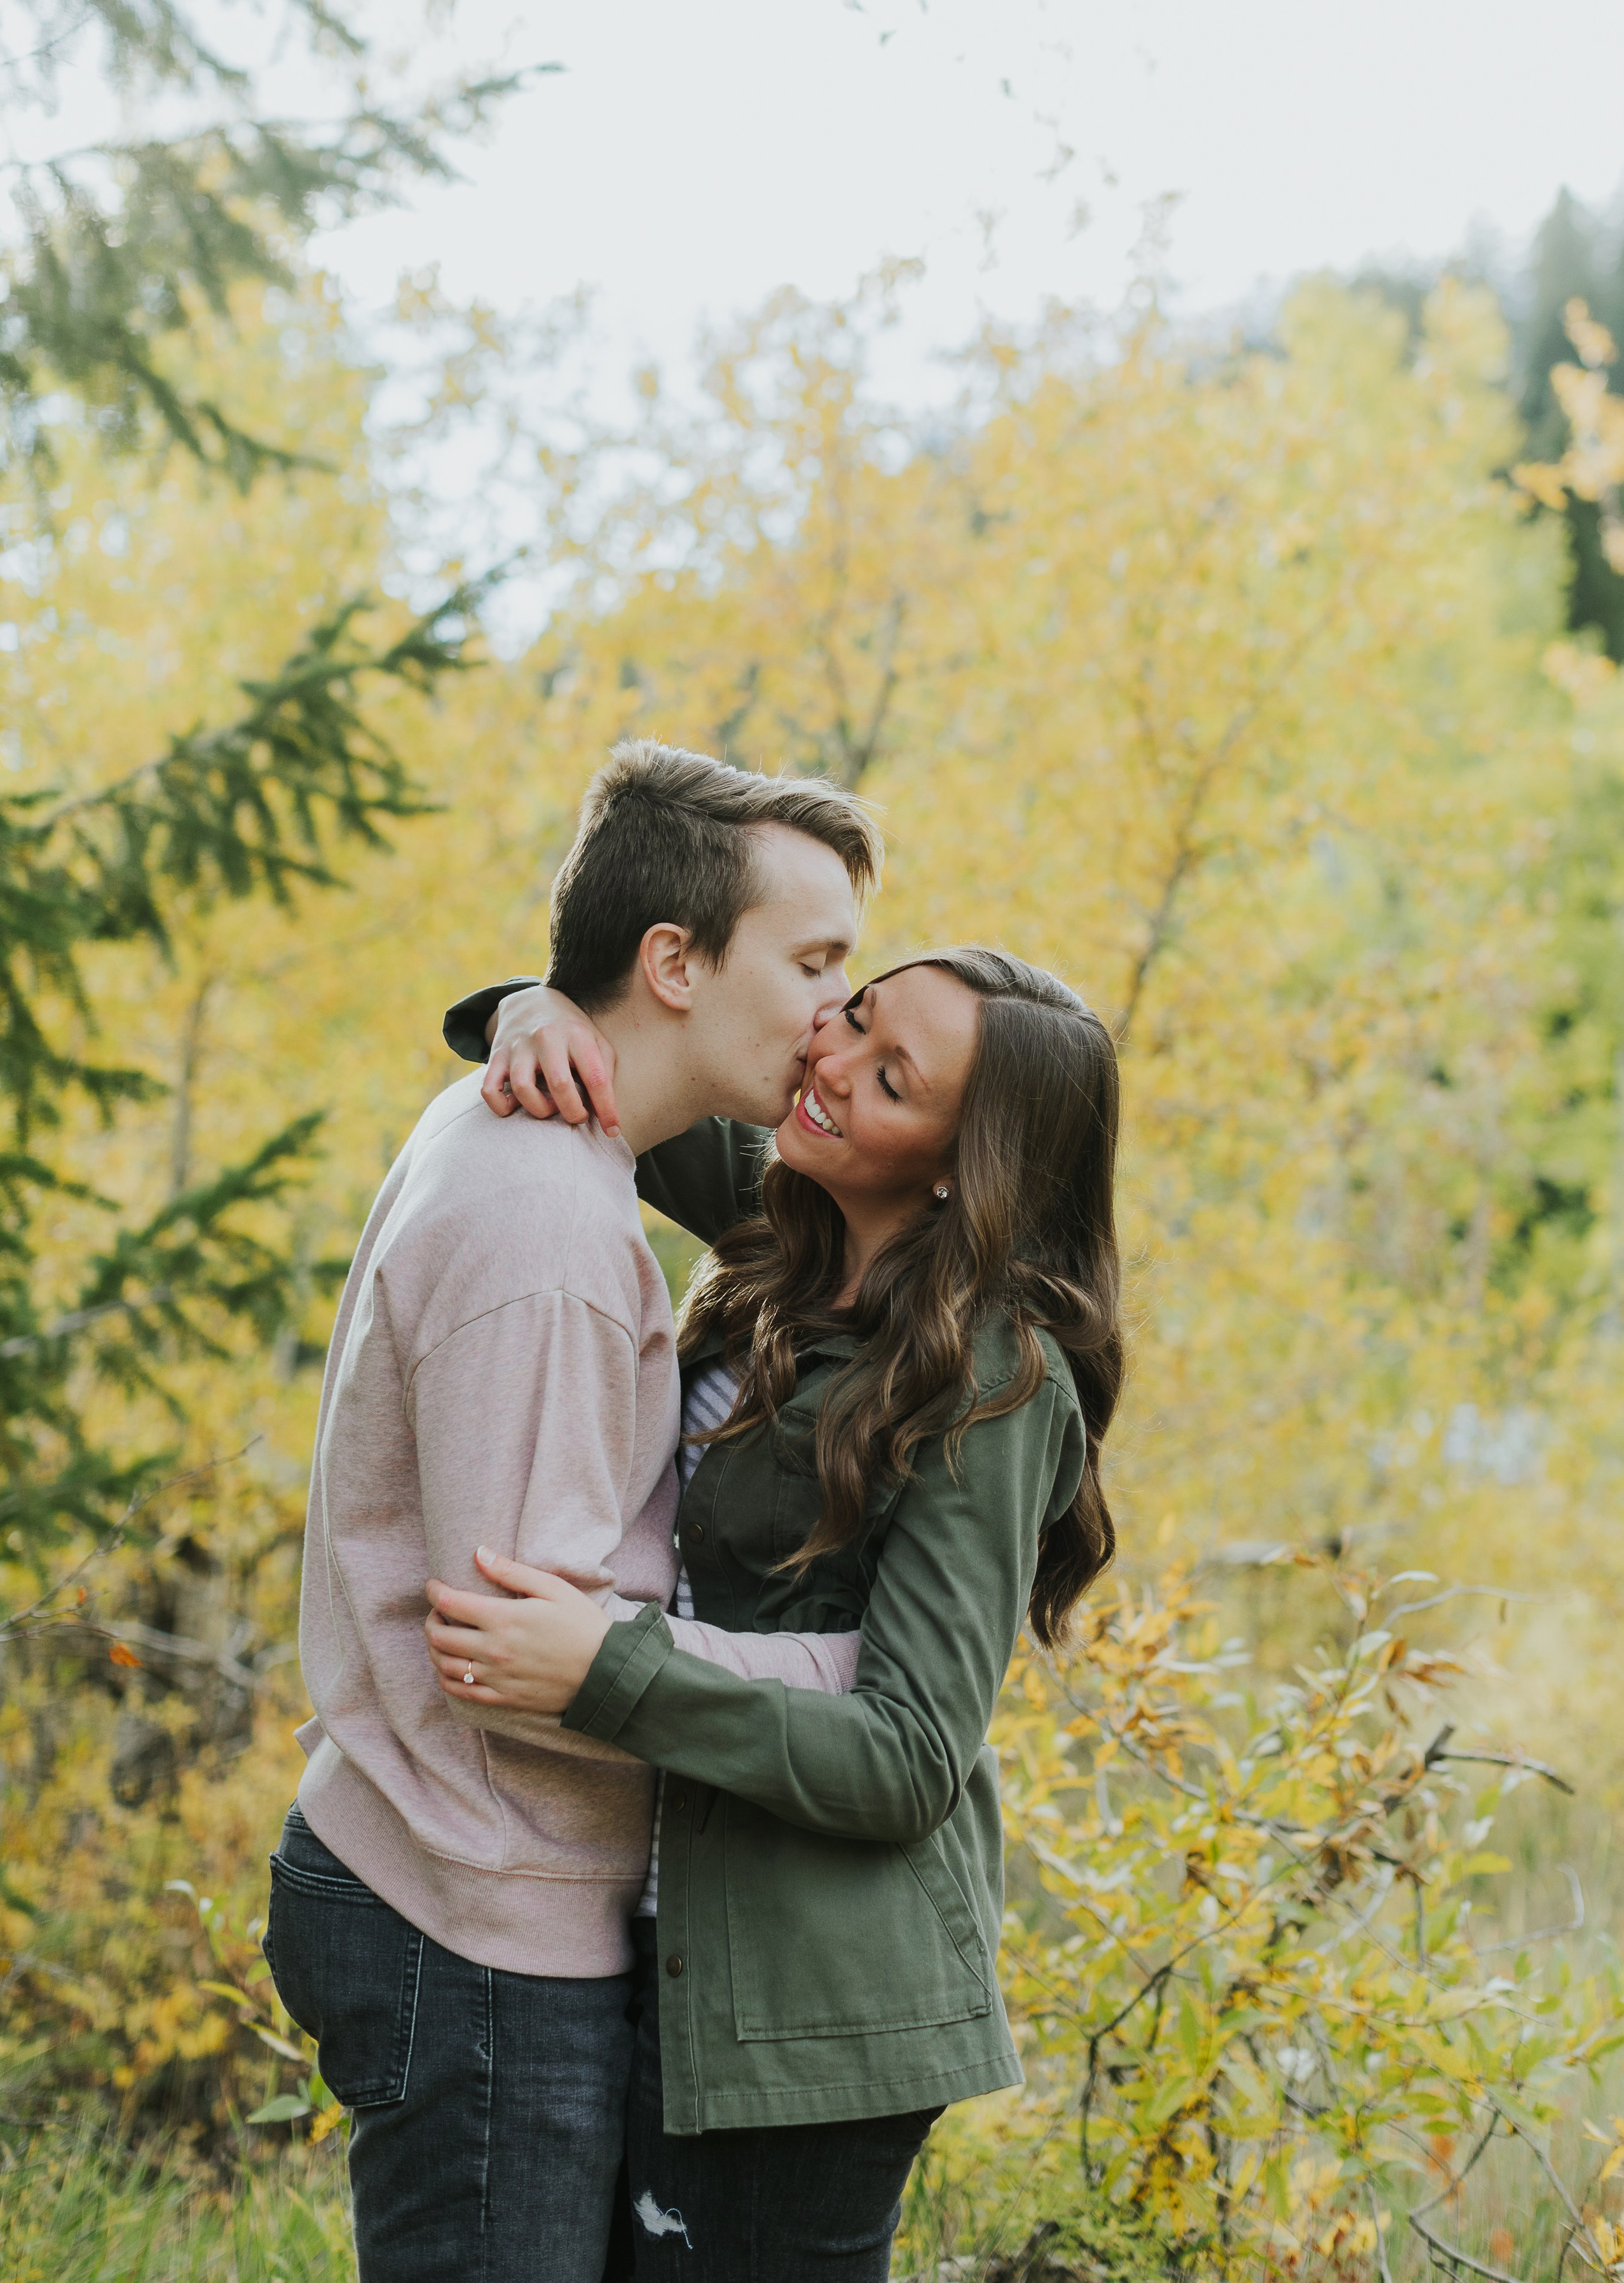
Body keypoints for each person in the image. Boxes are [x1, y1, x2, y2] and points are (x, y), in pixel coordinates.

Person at [266, 742, 884, 2283]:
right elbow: (525, 1666)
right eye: (813, 962)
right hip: (475, 1914)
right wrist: (845, 1686)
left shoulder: (542, 1128)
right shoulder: (548, 1221)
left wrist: (529, 999)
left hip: (484, 1882)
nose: (834, 1014)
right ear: (671, 962)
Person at [425, 942, 1123, 2283]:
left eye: (890, 1076)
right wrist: (531, 1007)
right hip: (691, 1948)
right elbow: (621, 1050)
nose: (830, 1064)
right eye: (853, 1018)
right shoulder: (794, 1212)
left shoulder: (994, 1380)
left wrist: (603, 1671)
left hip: (817, 2018)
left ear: (955, 1166)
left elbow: (911, 1755)